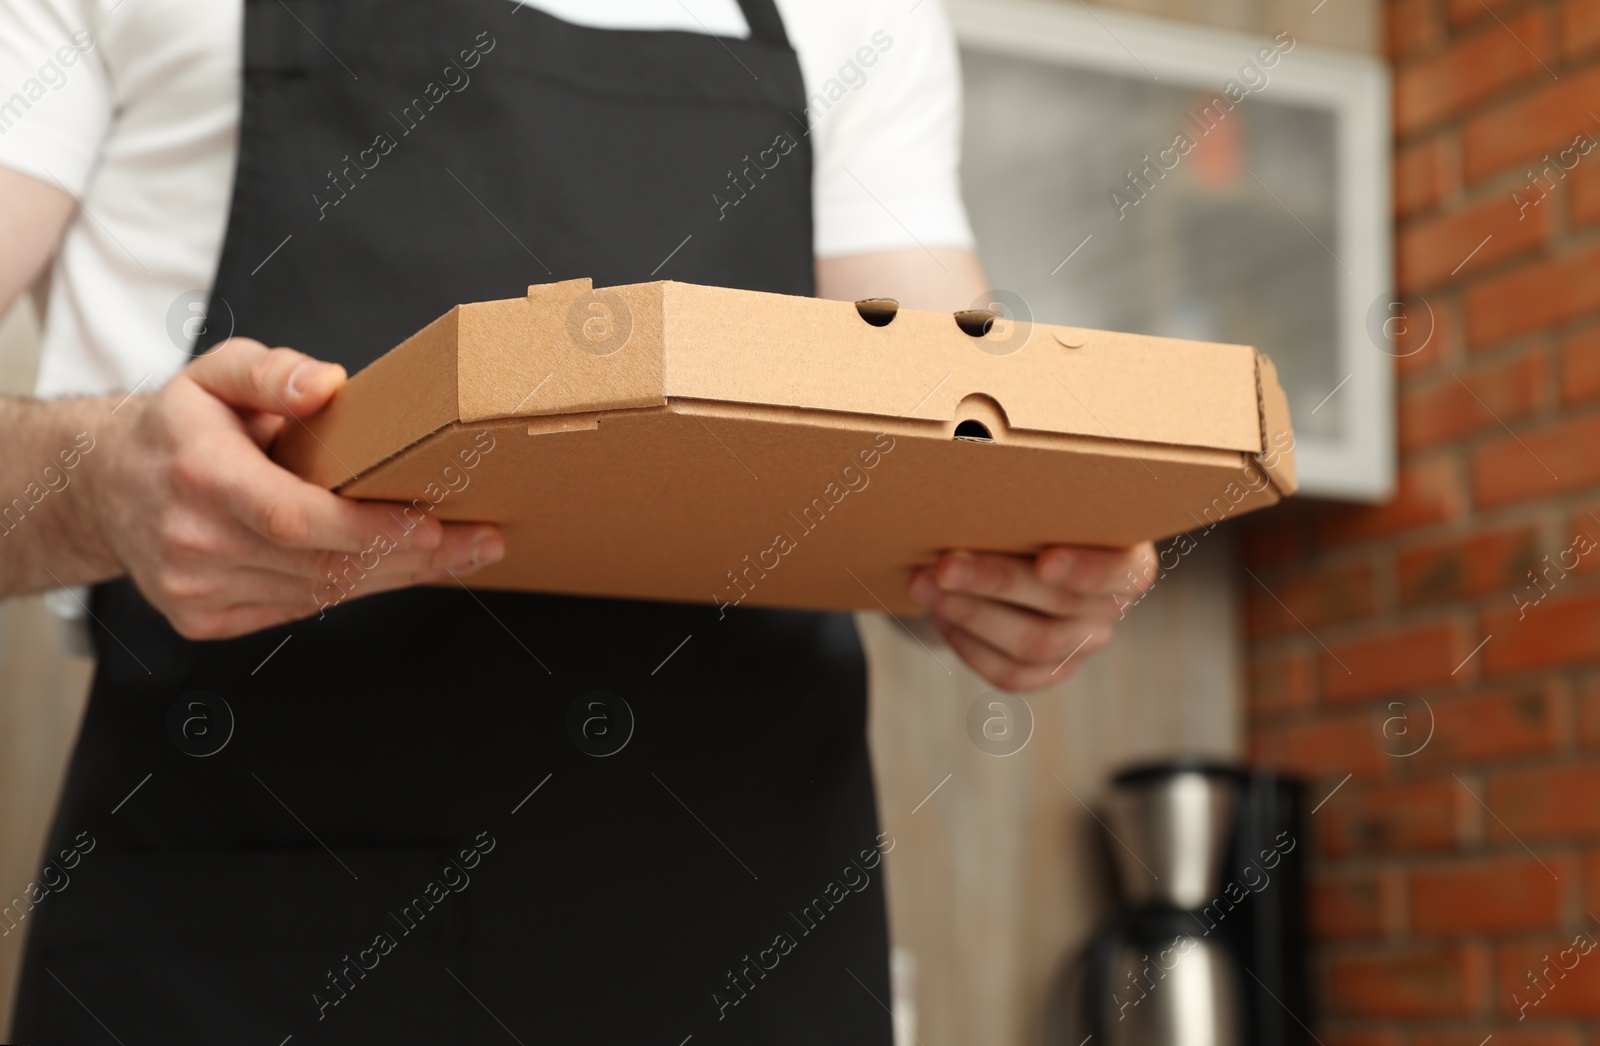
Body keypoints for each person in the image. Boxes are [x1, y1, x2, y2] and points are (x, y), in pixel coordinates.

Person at [0, 0, 1153, 1041]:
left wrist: (1019, 561)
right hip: (257, 953)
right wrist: (94, 479)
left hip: (750, 949)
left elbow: (942, 457)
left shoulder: (860, 16)